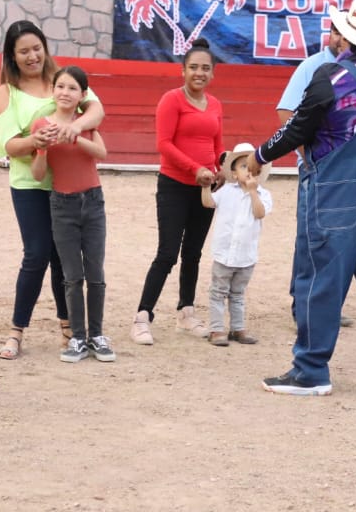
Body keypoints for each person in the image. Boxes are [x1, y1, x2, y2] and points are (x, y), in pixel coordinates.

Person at [248, 0, 356, 397]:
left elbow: (297, 129)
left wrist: (260, 155)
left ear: (348, 34)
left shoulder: (330, 76)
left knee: (321, 276)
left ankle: (311, 369)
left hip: (336, 189)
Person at [0, 21, 105, 360]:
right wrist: (34, 141)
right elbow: (9, 145)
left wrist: (74, 127)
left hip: (67, 183)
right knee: (37, 253)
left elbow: (96, 109)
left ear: (45, 47)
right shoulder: (8, 92)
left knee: (61, 256)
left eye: (36, 48)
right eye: (23, 51)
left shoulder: (62, 80)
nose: (32, 56)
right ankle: (17, 330)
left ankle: (69, 326)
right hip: (30, 183)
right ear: (12, 56)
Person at [132, 39, 223, 345]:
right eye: (194, 67)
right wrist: (195, 168)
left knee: (193, 253)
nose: (199, 73)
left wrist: (222, 167)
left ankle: (186, 312)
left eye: (205, 68)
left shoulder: (215, 104)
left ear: (213, 73)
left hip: (205, 189)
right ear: (183, 70)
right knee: (168, 253)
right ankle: (142, 316)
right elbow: (164, 144)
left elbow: (217, 145)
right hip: (174, 186)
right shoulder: (171, 100)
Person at [30, 65, 114, 364]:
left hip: (92, 201)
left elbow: (101, 154)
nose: (65, 92)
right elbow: (38, 174)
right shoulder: (41, 124)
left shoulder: (86, 121)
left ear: (82, 94)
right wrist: (42, 148)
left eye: (72, 88)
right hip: (62, 204)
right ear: (53, 91)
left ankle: (97, 334)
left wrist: (75, 136)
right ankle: (78, 336)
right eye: (60, 86)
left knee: (96, 273)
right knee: (72, 275)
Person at [200, 143, 271, 347]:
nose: (249, 170)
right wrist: (205, 187)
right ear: (233, 172)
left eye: (252, 166)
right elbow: (208, 203)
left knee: (238, 294)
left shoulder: (263, 194)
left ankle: (237, 328)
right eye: (243, 166)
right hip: (224, 254)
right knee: (218, 292)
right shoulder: (226, 191)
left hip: (246, 256)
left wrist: (253, 193)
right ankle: (216, 329)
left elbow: (259, 213)